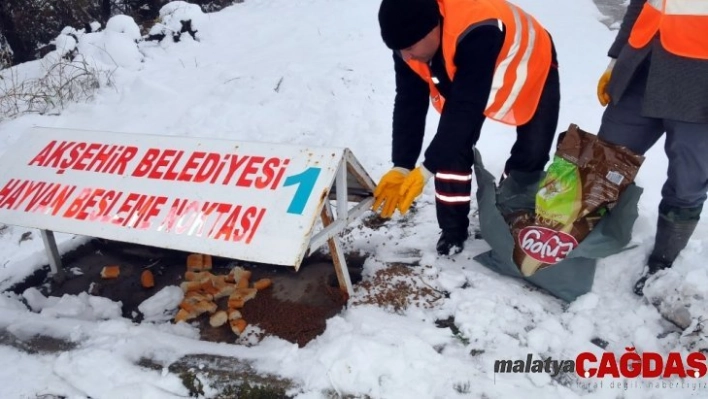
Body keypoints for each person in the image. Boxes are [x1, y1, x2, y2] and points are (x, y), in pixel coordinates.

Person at [372, 0, 560, 255]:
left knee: (534, 148)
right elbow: (409, 101)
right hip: (469, 71)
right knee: (451, 151)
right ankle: (452, 229)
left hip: (530, 61)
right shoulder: (409, 44)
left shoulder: (477, 29)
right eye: (398, 50)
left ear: (433, 27)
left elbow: (465, 108)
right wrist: (402, 165)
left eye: (409, 47)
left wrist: (427, 168)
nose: (407, 56)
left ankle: (508, 212)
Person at [596, 0, 708, 295]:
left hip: (700, 83)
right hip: (644, 64)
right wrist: (617, 57)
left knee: (688, 182)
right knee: (605, 159)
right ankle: (579, 236)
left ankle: (661, 264)